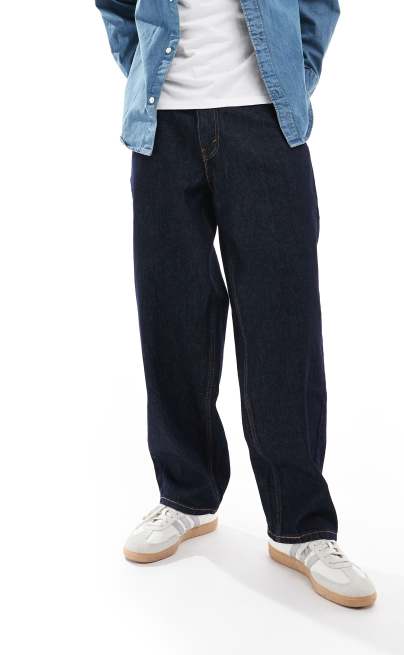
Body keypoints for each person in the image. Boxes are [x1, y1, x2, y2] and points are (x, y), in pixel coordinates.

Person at [96, 0, 376, 608]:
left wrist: (295, 74)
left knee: (283, 324)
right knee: (173, 318)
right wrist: (144, 67)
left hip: (265, 120)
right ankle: (185, 496)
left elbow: (318, 5)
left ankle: (302, 526)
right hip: (162, 128)